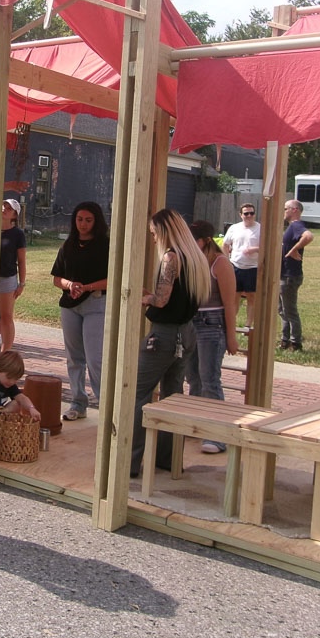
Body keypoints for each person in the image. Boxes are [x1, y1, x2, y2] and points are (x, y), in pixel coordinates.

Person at [130, 209, 210, 477]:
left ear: (164, 232)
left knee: (137, 393)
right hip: (186, 334)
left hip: (164, 336)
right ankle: (168, 458)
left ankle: (128, 461)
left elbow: (162, 300)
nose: (153, 239)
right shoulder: (196, 257)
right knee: (172, 398)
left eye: (154, 234)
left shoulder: (171, 257)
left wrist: (144, 298)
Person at [51, 201, 110, 420]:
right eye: (79, 219)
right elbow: (57, 278)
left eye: (88, 220)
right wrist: (70, 285)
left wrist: (87, 287)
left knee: (95, 358)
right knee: (74, 357)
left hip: (96, 304)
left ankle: (106, 405)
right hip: (70, 306)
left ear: (96, 221)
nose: (83, 225)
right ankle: (78, 402)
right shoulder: (68, 245)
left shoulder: (105, 245)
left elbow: (114, 278)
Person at [185, 220, 239, 454]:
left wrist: (231, 336)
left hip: (212, 324)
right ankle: (195, 424)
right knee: (193, 378)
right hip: (191, 323)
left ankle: (217, 436)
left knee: (209, 379)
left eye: (194, 239)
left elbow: (229, 303)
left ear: (206, 241)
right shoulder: (192, 261)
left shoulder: (220, 263)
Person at [279, 199, 313, 352]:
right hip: (284, 275)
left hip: (290, 276)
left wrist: (293, 250)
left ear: (295, 210)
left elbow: (309, 236)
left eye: (286, 208)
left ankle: (296, 344)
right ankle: (285, 341)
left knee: (290, 310)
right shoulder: (291, 227)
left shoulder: (297, 225)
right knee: (282, 310)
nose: (284, 211)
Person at [222, 204, 260, 327]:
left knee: (252, 297)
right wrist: (226, 262)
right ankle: (231, 323)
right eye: (246, 213)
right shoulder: (234, 228)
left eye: (251, 213)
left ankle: (248, 325)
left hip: (253, 267)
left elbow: (268, 247)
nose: (249, 216)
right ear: (241, 215)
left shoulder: (260, 228)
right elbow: (225, 245)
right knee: (234, 296)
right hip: (236, 266)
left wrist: (254, 249)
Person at [0, 199, 27, 352]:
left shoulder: (17, 234)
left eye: (9, 208)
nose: (4, 209)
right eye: (4, 206)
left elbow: (21, 261)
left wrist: (22, 283)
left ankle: (5, 353)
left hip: (7, 278)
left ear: (14, 215)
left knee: (6, 316)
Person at [0, 350, 40, 426]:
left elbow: (22, 398)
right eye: (9, 378)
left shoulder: (10, 385)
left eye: (15, 379)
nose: (12, 382)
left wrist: (31, 408)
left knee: (17, 403)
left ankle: (2, 419)